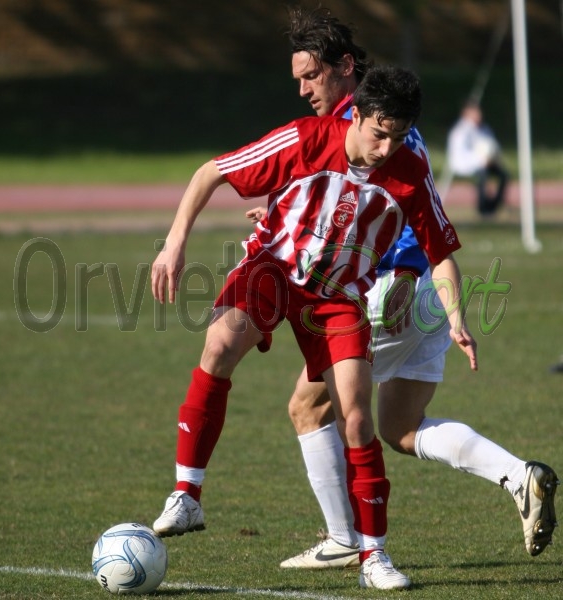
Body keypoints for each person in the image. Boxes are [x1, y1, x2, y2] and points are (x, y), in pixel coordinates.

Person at [245, 7, 558, 571]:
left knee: (307, 406)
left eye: (310, 75)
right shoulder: (386, 118)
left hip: (392, 287)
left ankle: (345, 539)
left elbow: (409, 208)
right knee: (402, 428)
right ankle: (519, 474)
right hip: (426, 293)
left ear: (344, 68)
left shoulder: (372, 125)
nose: (302, 88)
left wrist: (403, 278)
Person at [150, 64, 476, 591]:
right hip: (274, 268)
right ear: (359, 116)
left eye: (396, 137)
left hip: (340, 296)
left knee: (355, 418)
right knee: (219, 344)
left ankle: (374, 556)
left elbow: (441, 255)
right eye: (377, 133)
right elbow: (211, 171)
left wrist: (457, 319)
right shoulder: (304, 138)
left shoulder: (410, 171)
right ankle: (187, 495)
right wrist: (174, 242)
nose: (385, 147)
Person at [446, 100, 509, 217]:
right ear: (466, 113)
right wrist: (480, 160)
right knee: (483, 175)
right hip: (467, 165)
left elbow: (493, 146)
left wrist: (493, 159)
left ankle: (493, 206)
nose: (478, 115)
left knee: (504, 175)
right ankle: (483, 209)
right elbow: (459, 155)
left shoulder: (485, 129)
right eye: (475, 112)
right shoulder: (460, 131)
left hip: (486, 163)